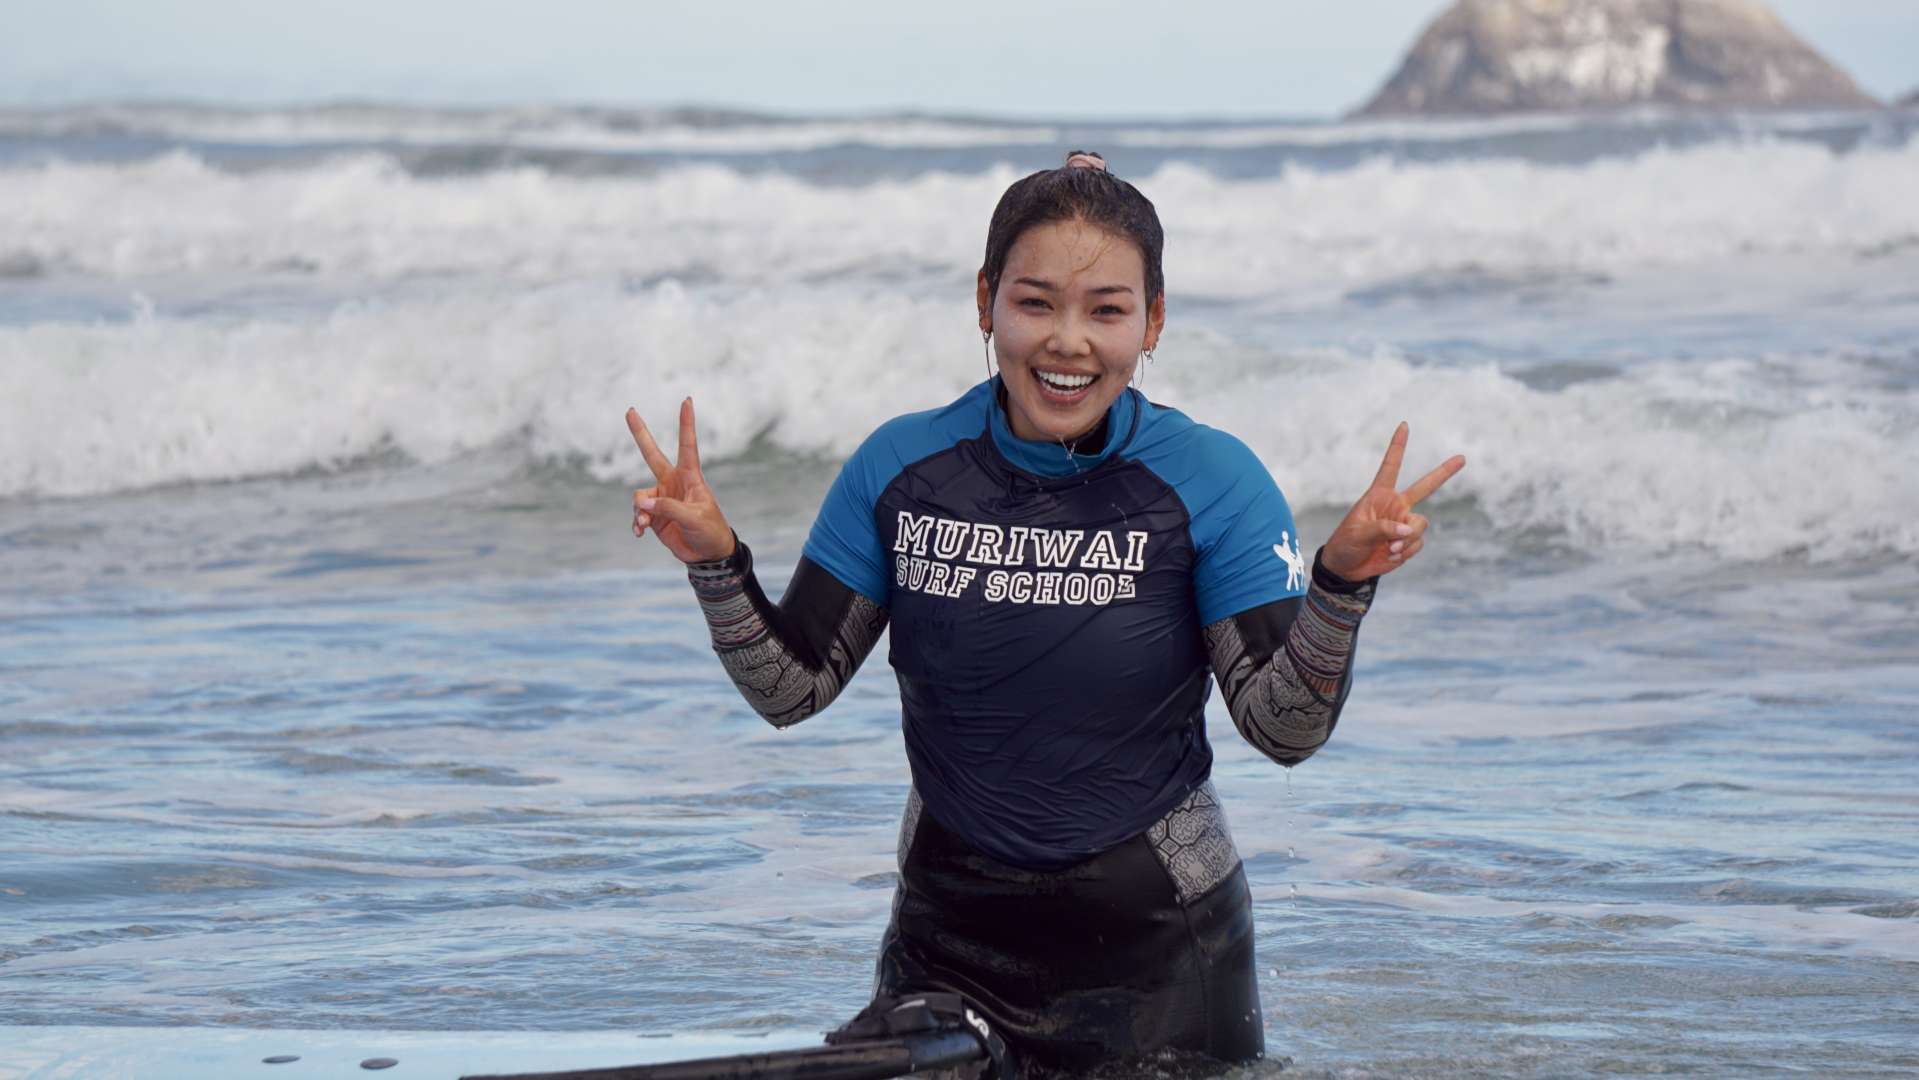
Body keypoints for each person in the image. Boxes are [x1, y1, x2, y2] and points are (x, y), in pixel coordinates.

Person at [624, 151, 1464, 1076]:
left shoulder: (1210, 481)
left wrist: (1339, 585)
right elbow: (793, 687)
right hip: (945, 943)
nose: (1069, 342)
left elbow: (1284, 729)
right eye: (1035, 303)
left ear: (1152, 323)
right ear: (984, 302)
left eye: (1106, 310)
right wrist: (716, 564)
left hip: (1159, 959)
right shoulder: (901, 468)